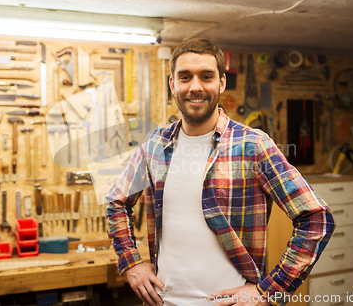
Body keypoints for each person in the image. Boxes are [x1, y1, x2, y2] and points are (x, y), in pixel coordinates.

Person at [106, 38, 335, 306]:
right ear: (172, 85)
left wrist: (269, 291)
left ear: (222, 83)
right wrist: (131, 262)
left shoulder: (254, 145)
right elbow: (116, 201)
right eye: (185, 77)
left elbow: (316, 219)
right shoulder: (154, 145)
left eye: (206, 76)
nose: (195, 87)